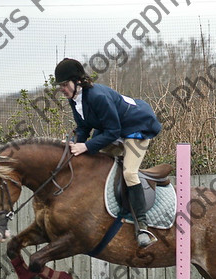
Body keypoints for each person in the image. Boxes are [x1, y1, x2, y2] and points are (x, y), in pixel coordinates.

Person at [54, 58, 162, 247]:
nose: (61, 89)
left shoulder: (97, 97)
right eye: (60, 86)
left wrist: (85, 146)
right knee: (92, 160)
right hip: (114, 129)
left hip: (137, 128)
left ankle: (142, 226)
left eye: (64, 84)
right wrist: (74, 147)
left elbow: (112, 131)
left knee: (129, 172)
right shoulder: (75, 99)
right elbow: (83, 128)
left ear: (77, 81)